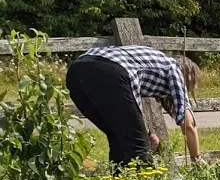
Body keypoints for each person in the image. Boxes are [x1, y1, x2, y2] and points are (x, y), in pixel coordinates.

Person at [66, 45, 203, 166]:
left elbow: (128, 109)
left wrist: (146, 132)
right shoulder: (174, 68)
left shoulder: (155, 65)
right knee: (138, 148)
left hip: (76, 71)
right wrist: (196, 159)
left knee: (119, 136)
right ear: (189, 75)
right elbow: (188, 124)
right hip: (111, 69)